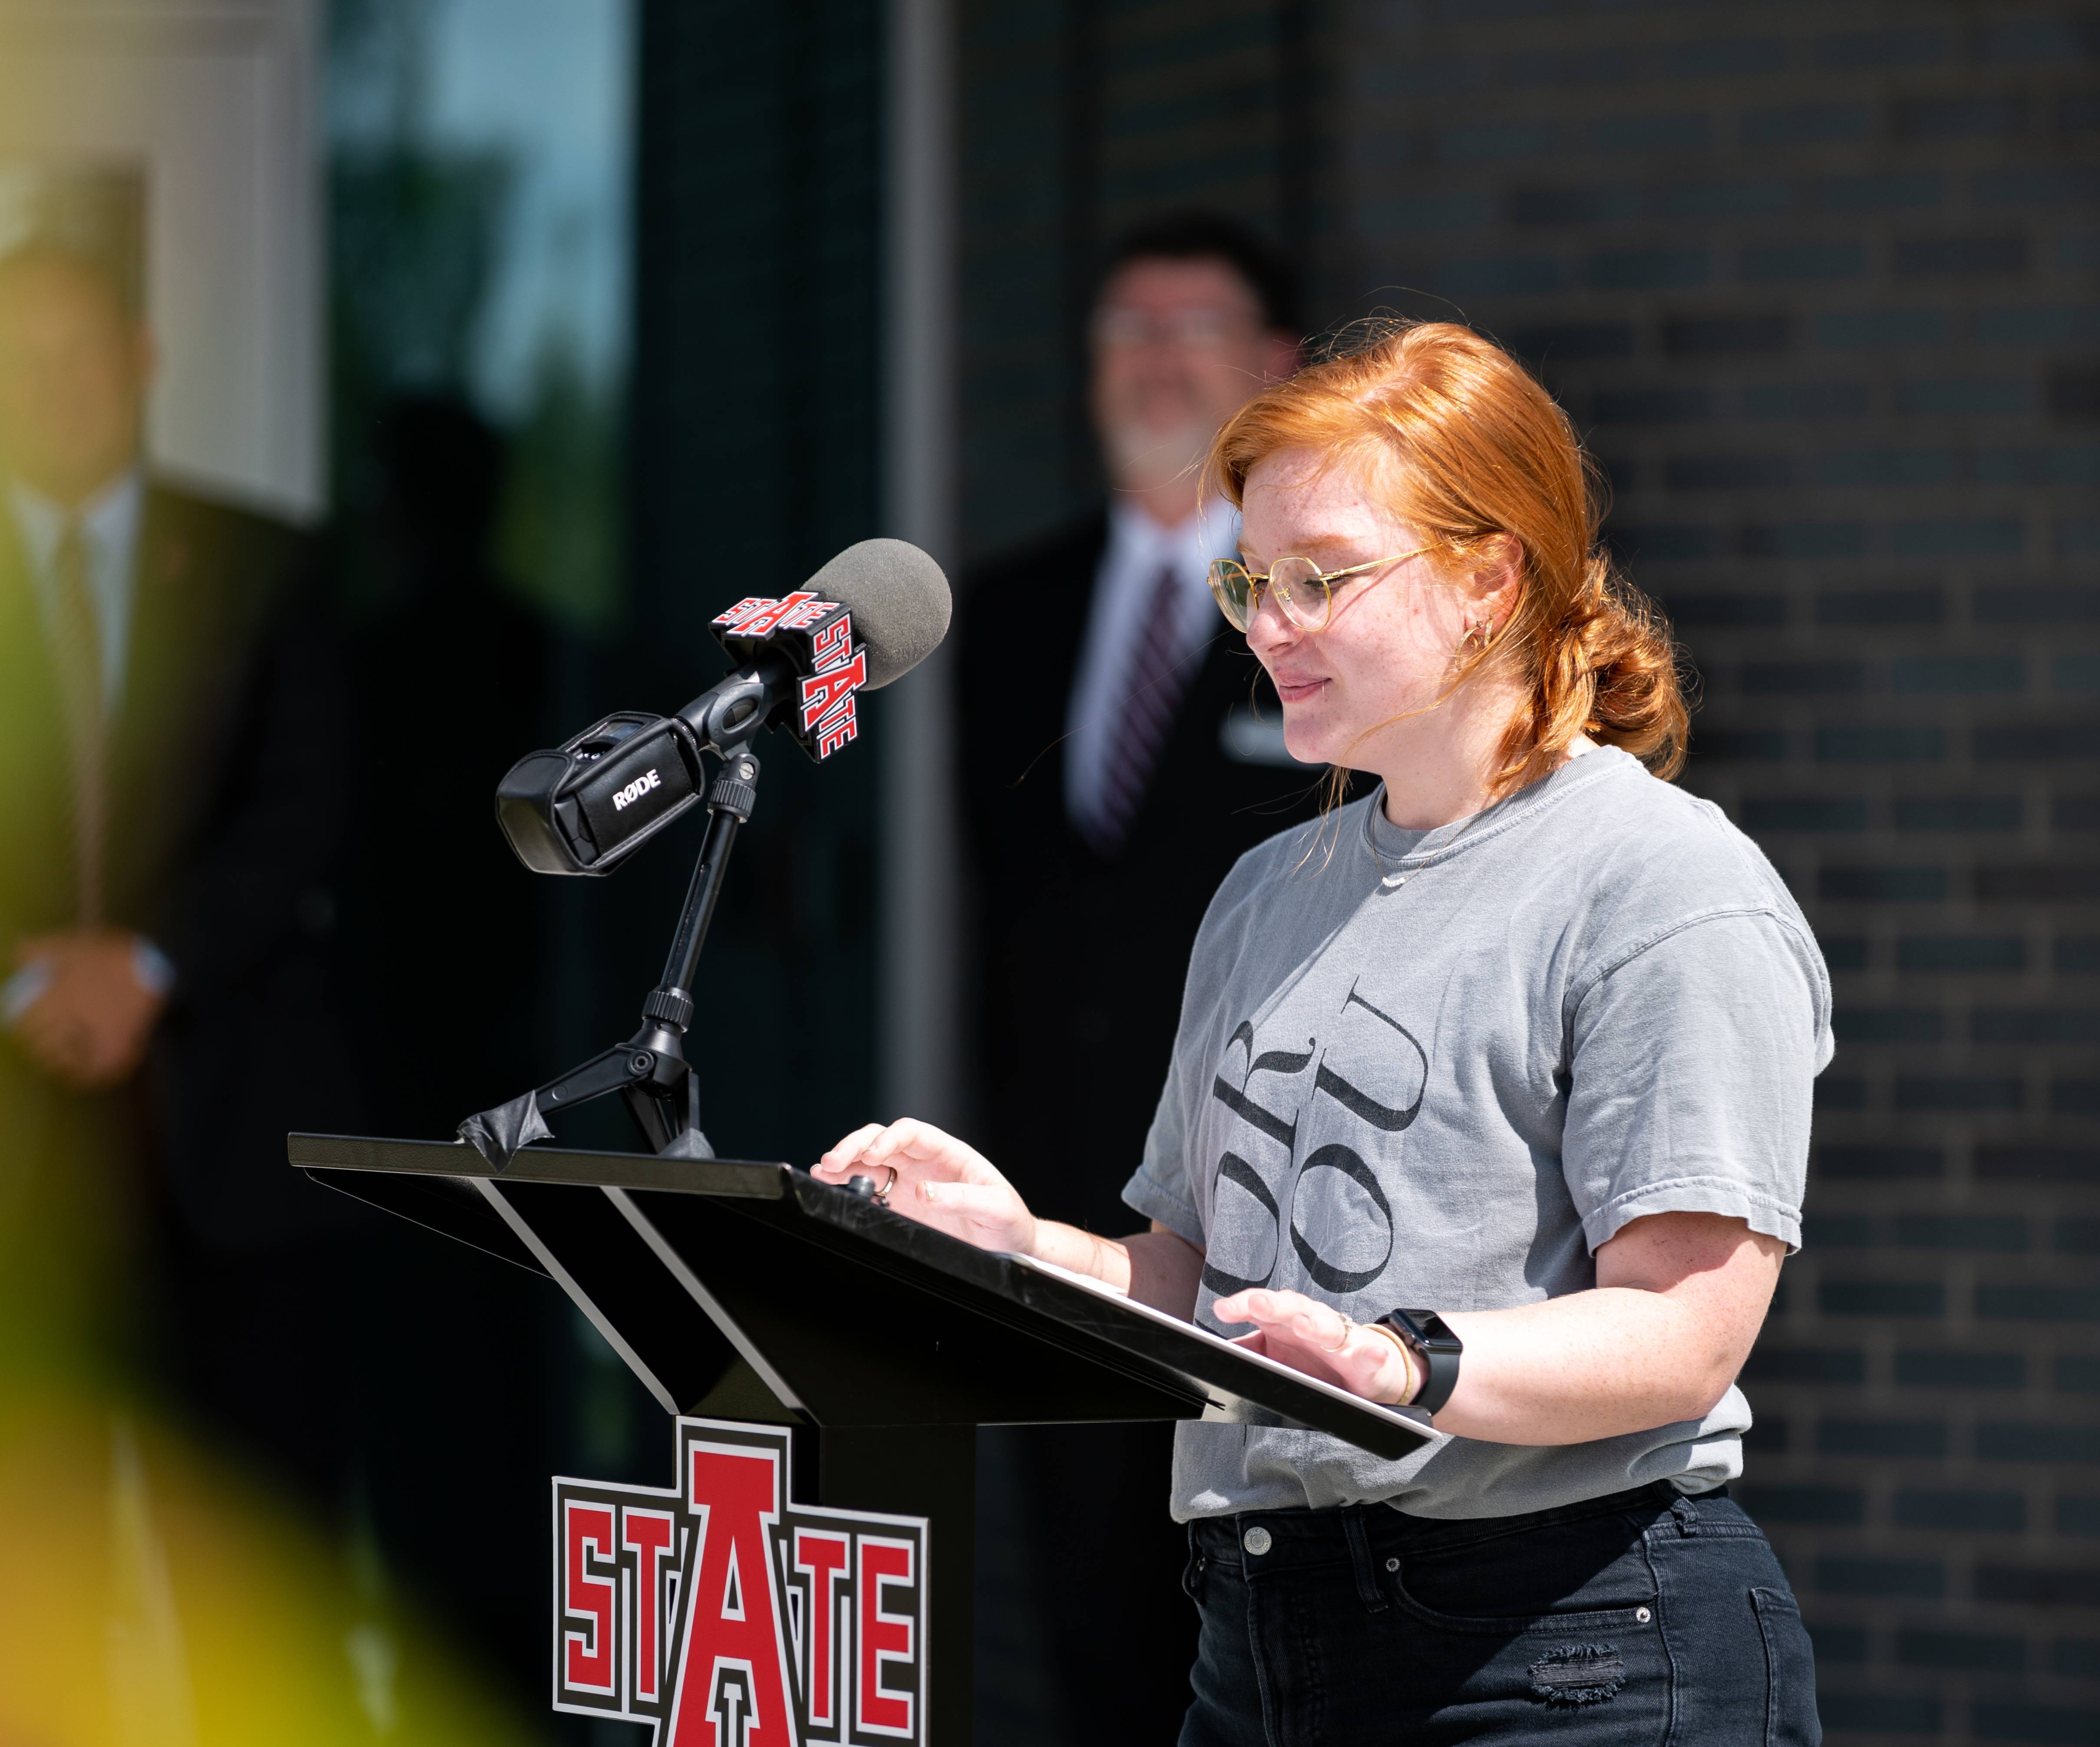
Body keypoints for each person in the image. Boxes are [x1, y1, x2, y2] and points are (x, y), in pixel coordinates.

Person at [827, 320, 1828, 1743]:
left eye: (1322, 579)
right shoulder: (1263, 893)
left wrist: (1403, 1364)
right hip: (1255, 1641)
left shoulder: (1665, 883)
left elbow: (1685, 1334)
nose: (1263, 625)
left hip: (1577, 1648)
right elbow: (1199, 1286)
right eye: (1251, 579)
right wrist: (1017, 1246)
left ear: (1491, 580)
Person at [960, 213, 1310, 1735]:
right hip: (1054, 1226)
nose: (1157, 360)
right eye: (1127, 329)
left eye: (1196, 327)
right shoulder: (1003, 614)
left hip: (1275, 1234)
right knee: (1090, 1636)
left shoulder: (1324, 617)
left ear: (1277, 371)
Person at [0, 241, 366, 1498]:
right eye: (21, 359)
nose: (53, 385)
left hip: (236, 1157)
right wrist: (25, 987)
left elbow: (308, 807)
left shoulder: (263, 566)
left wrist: (149, 964)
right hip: (22, 1170)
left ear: (143, 357)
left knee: (259, 1576)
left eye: (80, 350)